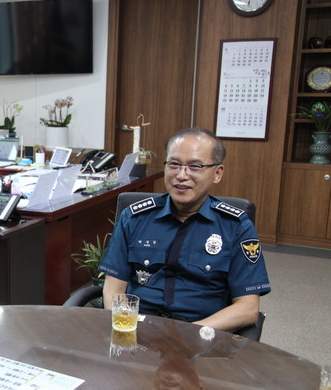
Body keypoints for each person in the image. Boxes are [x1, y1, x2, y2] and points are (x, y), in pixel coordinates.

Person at [99, 127, 271, 332]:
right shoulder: (134, 218)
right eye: (174, 165)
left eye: (195, 167)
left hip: (202, 334)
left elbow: (247, 308)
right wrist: (126, 329)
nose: (181, 175)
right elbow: (114, 289)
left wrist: (187, 335)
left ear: (217, 173)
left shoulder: (236, 226)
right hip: (140, 329)